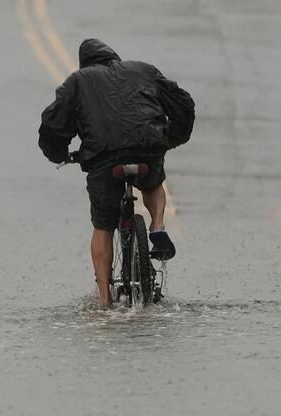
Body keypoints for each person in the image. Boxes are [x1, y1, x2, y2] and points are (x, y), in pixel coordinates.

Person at [38, 38, 195, 306]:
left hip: (104, 160)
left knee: (103, 225)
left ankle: (104, 301)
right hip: (148, 147)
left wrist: (60, 154)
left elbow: (54, 124)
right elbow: (182, 104)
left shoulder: (77, 81)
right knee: (153, 182)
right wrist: (171, 138)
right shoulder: (143, 70)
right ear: (114, 57)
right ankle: (157, 224)